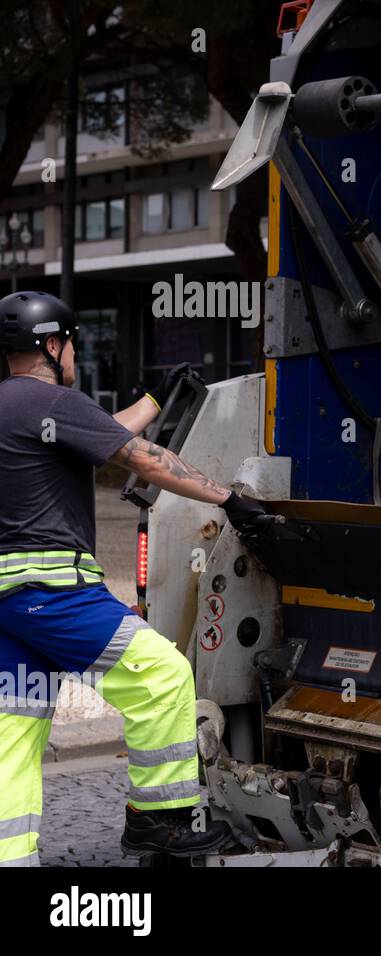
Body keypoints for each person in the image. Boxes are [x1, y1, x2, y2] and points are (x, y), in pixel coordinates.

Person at [0, 290, 268, 866]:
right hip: (51, 592)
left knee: (12, 738)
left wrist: (158, 398)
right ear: (51, 345)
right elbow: (138, 456)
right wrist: (230, 499)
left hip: (7, 602)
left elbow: (100, 436)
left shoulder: (13, 407)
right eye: (71, 343)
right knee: (164, 675)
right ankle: (155, 821)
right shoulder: (48, 399)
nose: (74, 355)